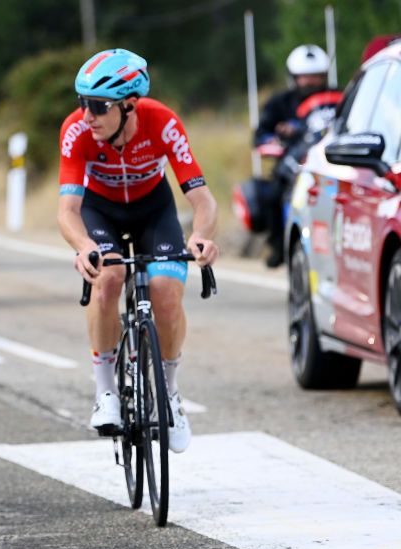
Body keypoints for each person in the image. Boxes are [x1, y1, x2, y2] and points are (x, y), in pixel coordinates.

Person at [56, 48, 219, 453]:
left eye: (98, 105)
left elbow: (203, 200)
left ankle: (170, 391)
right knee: (109, 276)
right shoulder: (76, 130)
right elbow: (68, 210)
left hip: (153, 209)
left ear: (130, 105)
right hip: (101, 211)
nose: (87, 114)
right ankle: (106, 391)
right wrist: (84, 245)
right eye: (82, 103)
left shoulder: (163, 122)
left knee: (165, 289)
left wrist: (199, 236)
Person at [254, 44, 335, 267]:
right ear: (294, 77)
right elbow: (260, 135)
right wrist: (275, 139)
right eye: (304, 77)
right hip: (292, 166)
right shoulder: (279, 103)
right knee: (271, 197)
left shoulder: (337, 97)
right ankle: (279, 246)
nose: (310, 82)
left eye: (316, 77)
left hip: (330, 162)